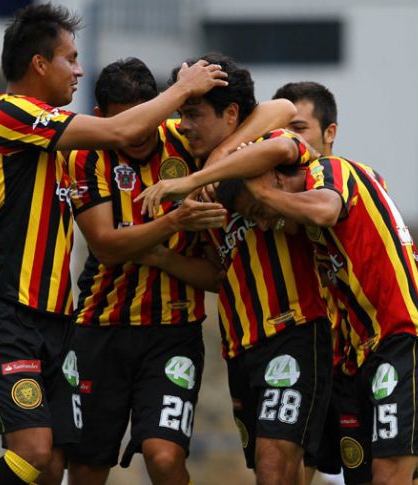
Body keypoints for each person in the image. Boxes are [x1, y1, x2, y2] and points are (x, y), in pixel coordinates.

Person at [0, 3, 229, 485]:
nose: (79, 70)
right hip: (3, 308)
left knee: (53, 464)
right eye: (71, 58)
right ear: (39, 64)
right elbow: (123, 131)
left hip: (56, 318)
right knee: (34, 452)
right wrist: (182, 88)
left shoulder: (59, 135)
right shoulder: (6, 113)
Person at [63, 58, 295, 485]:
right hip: (100, 327)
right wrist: (174, 222)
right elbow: (107, 246)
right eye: (125, 123)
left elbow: (281, 109)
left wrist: (219, 158)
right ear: (102, 117)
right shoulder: (86, 157)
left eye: (145, 118)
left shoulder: (186, 139)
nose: (137, 133)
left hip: (174, 333)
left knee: (165, 456)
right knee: (87, 466)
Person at [197, 150, 418, 485]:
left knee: (388, 476)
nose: (263, 223)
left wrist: (259, 191)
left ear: (274, 177)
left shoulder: (331, 170)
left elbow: (326, 208)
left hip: (401, 340)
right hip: (358, 358)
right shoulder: (310, 229)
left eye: (259, 212)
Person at [136, 54, 334, 485]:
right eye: (181, 115)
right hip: (242, 345)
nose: (184, 126)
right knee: (280, 472)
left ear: (230, 115)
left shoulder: (264, 145)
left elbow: (282, 116)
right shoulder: (198, 170)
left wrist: (206, 168)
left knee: (274, 465)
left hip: (294, 329)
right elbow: (218, 274)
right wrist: (162, 257)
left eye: (194, 115)